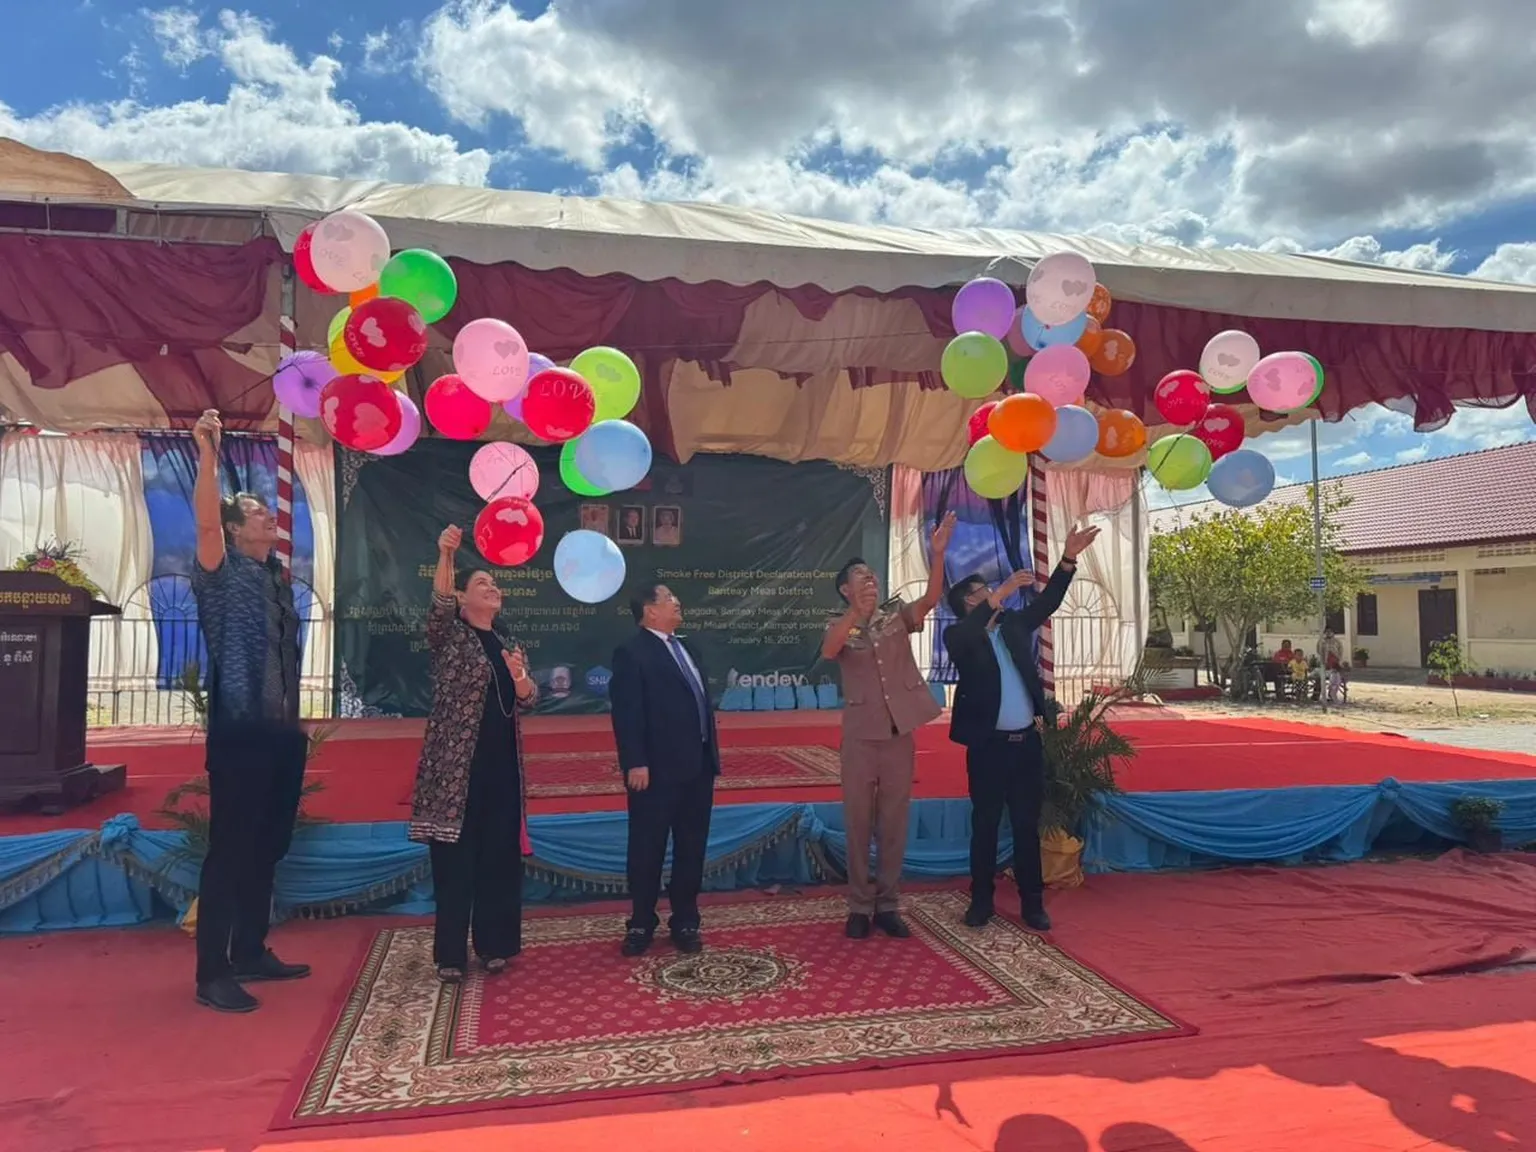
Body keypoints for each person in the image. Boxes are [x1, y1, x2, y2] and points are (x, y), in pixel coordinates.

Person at [188, 409, 306, 1013]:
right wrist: (209, 453)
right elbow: (206, 519)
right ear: (236, 531)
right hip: (239, 731)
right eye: (259, 513)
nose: (270, 518)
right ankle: (212, 973)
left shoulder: (276, 578)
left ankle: (251, 949)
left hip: (282, 731)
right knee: (231, 848)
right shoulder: (221, 569)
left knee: (268, 845)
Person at [943, 524, 1099, 933]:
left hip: (1025, 744)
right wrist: (1003, 590)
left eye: (986, 589)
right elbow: (969, 630)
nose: (988, 594)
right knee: (986, 825)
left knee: (1026, 825)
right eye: (978, 593)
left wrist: (1068, 558)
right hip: (988, 748)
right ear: (967, 605)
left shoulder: (1013, 627)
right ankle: (981, 902)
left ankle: (1033, 903)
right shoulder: (960, 636)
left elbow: (1047, 602)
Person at [408, 525, 537, 984]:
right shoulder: (449, 634)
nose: (493, 588)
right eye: (483, 583)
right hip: (455, 772)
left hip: (500, 768)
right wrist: (446, 554)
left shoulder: (505, 641)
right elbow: (439, 603)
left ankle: (495, 945)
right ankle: (450, 955)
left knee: (499, 858)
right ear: (464, 599)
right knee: (456, 862)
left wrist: (520, 678)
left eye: (495, 584)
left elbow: (528, 697)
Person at [821, 512, 956, 940]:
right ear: (845, 589)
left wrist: (938, 555)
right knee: (859, 821)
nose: (870, 582)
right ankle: (859, 905)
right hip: (861, 736)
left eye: (872, 577)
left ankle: (888, 903)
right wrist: (854, 614)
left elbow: (932, 598)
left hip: (899, 732)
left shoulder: (896, 616)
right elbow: (829, 650)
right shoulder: (839, 623)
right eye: (861, 578)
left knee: (894, 821)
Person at [609, 582, 720, 957]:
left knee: (691, 848)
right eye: (670, 598)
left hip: (698, 767)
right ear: (650, 610)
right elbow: (627, 713)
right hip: (654, 771)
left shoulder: (688, 647)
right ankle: (641, 921)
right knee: (647, 849)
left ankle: (686, 920)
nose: (678, 602)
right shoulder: (631, 652)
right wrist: (635, 761)